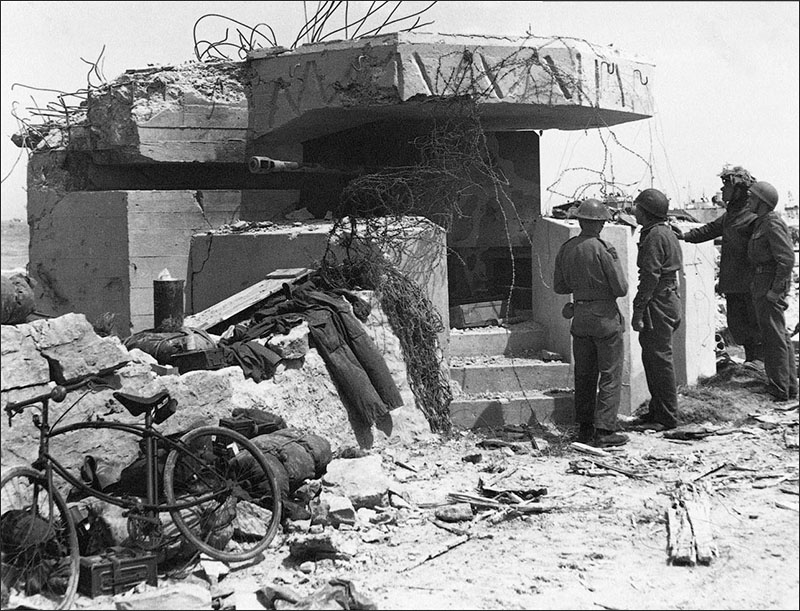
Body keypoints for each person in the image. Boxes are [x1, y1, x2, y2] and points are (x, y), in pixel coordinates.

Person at [553, 199, 629, 447]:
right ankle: (604, 431)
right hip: (604, 317)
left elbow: (559, 286)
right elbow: (620, 288)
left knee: (584, 375)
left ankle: (584, 428)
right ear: (599, 223)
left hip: (580, 316)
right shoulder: (603, 248)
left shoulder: (566, 248)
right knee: (610, 374)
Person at [677, 166, 763, 363]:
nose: (722, 190)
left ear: (739, 190)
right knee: (740, 329)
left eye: (726, 186)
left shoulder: (753, 217)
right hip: (734, 284)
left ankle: (760, 370)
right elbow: (709, 230)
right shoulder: (731, 215)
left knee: (756, 331)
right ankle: (752, 367)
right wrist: (684, 236)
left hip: (750, 285)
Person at [626, 188, 683, 431]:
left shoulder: (654, 236)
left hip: (658, 301)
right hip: (666, 298)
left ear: (646, 212)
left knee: (659, 360)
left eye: (637, 207)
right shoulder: (663, 232)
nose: (634, 211)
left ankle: (667, 418)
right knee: (653, 358)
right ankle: (657, 411)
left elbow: (650, 276)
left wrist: (638, 309)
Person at [746, 181, 798, 401]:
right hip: (763, 283)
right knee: (779, 336)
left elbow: (786, 259)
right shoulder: (762, 222)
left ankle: (779, 388)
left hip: (769, 285)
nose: (748, 200)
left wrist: (776, 290)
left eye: (752, 197)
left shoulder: (771, 223)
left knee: (773, 337)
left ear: (762, 202)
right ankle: (787, 386)